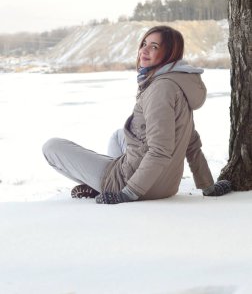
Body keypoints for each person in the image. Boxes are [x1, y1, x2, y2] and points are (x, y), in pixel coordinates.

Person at [42, 25, 232, 204]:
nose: (144, 50)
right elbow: (191, 143)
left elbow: (160, 149)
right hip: (165, 184)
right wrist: (208, 187)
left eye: (154, 46)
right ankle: (101, 183)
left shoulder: (161, 89)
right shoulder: (179, 83)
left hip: (136, 186)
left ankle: (105, 186)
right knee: (118, 136)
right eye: (144, 44)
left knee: (51, 147)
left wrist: (126, 193)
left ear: (170, 53)